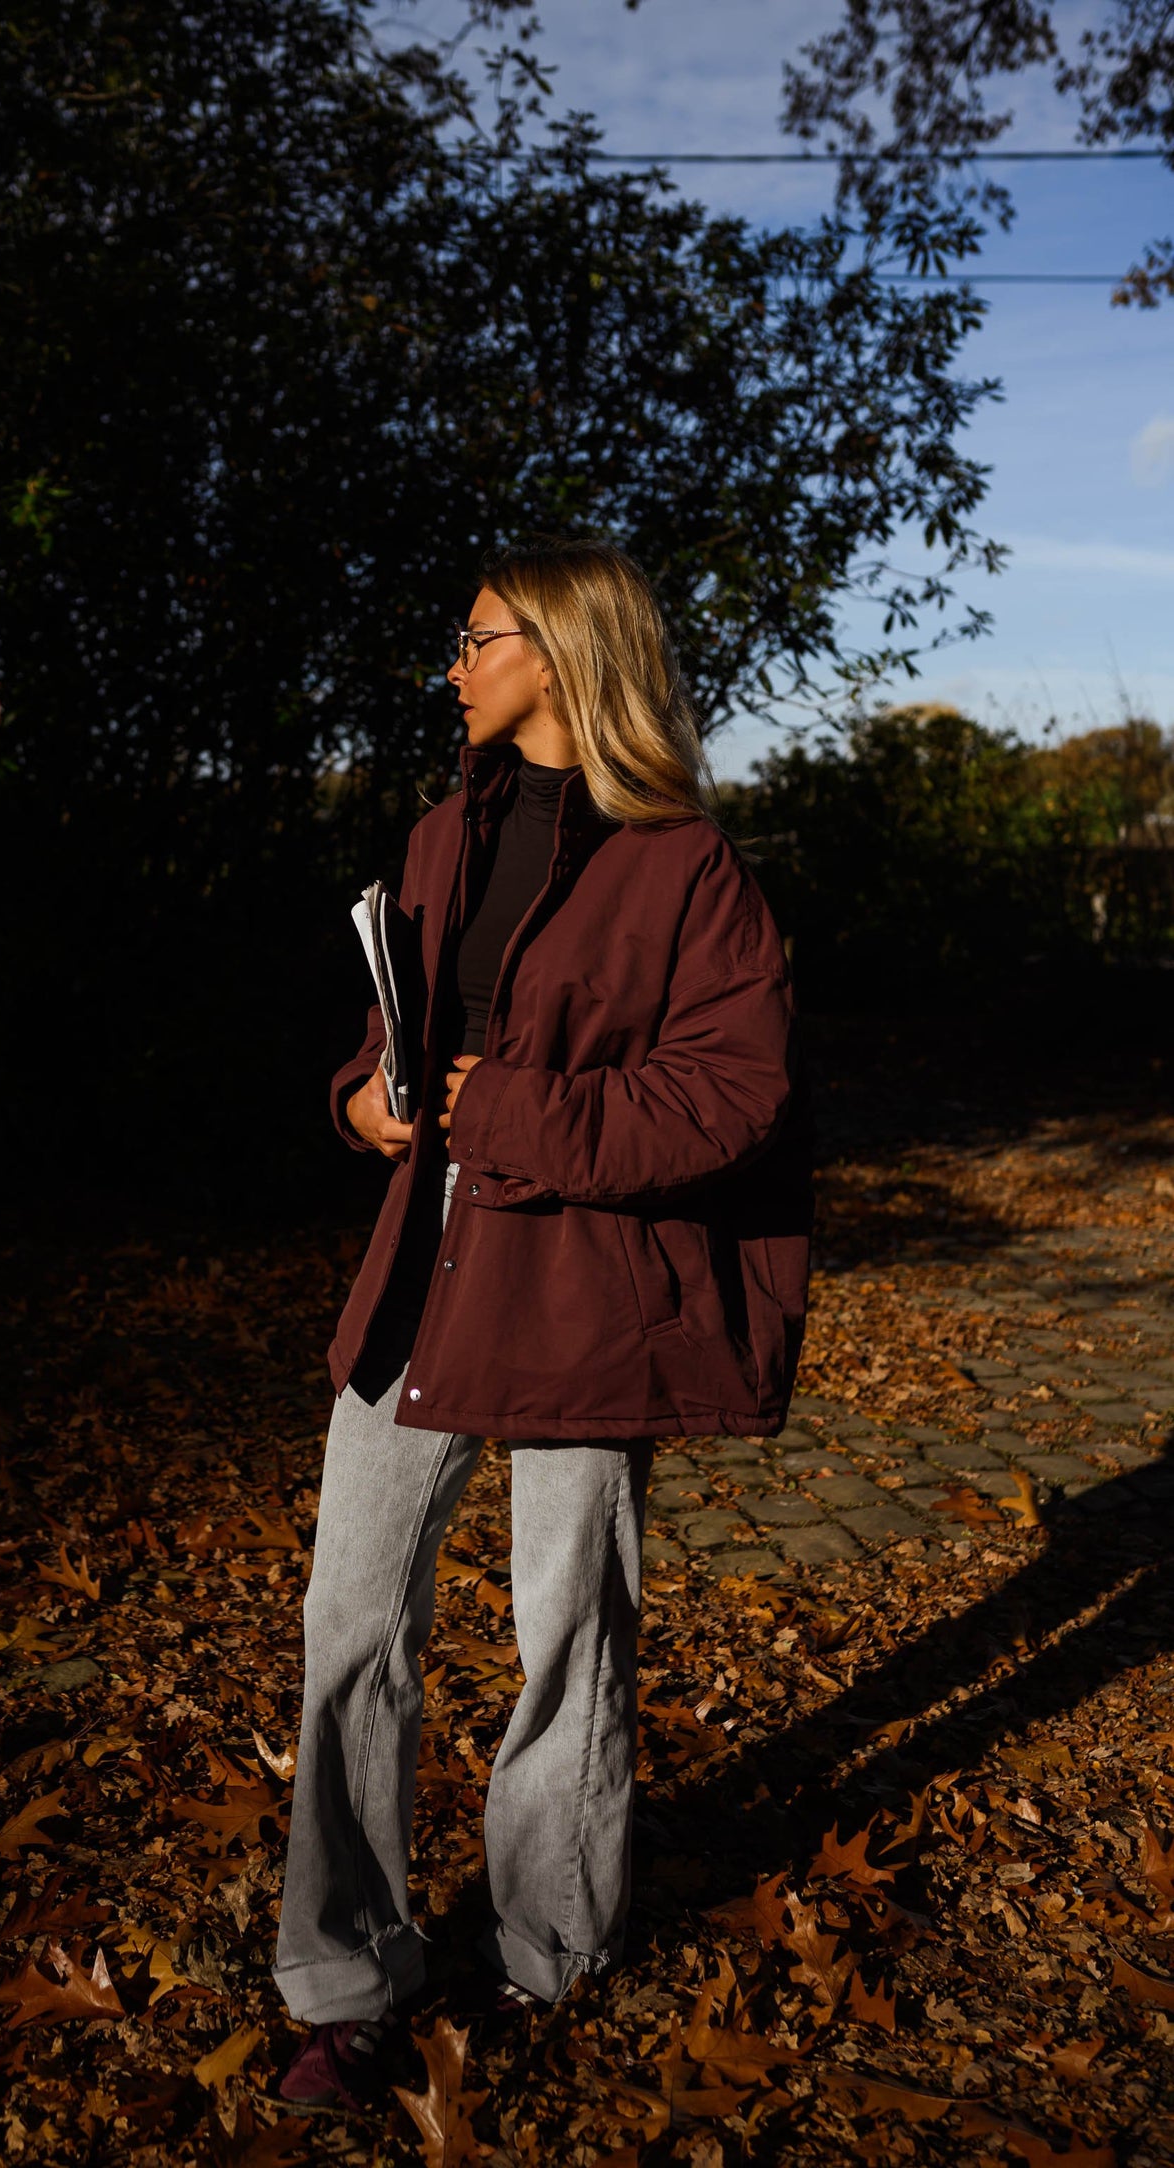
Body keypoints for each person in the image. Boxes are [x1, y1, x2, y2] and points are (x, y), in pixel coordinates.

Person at [274, 537, 813, 2111]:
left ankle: (545, 1952)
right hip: (423, 1267)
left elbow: (734, 1096)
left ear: (564, 653)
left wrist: (513, 1113)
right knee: (348, 1621)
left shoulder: (685, 864)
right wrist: (363, 1100)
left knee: (567, 1632)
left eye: (478, 634)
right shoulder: (443, 830)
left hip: (586, 1280)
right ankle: (346, 1975)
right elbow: (399, 1037)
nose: (453, 659)